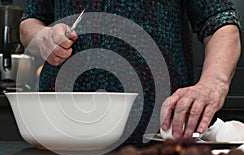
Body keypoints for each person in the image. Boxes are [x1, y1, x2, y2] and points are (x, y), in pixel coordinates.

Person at [19, 0, 241, 145]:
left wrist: (213, 82)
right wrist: (42, 37)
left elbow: (220, 22)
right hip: (63, 133)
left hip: (155, 136)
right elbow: (30, 21)